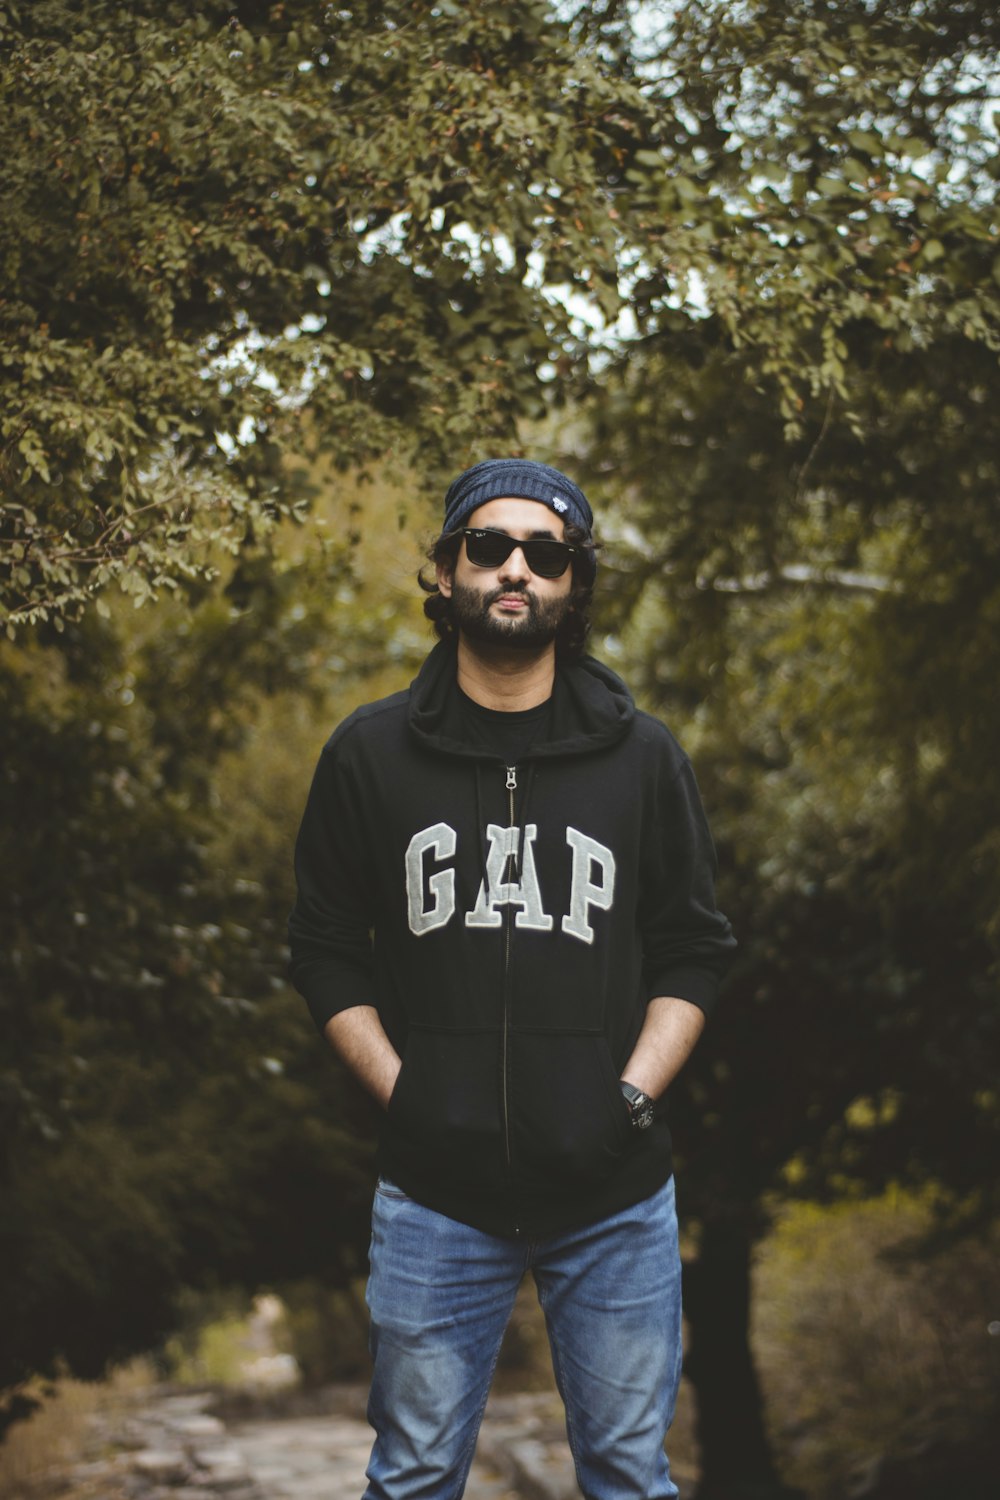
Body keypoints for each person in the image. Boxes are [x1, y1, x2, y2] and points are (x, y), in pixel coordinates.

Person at [288, 457, 735, 1500]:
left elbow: (694, 950)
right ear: (445, 571)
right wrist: (411, 1093)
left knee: (629, 1473)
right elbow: (323, 949)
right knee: (410, 1477)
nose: (515, 568)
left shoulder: (643, 760)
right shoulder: (368, 756)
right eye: (488, 544)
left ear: (572, 584)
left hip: (612, 1197)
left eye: (545, 552)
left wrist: (627, 1096)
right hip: (437, 1197)